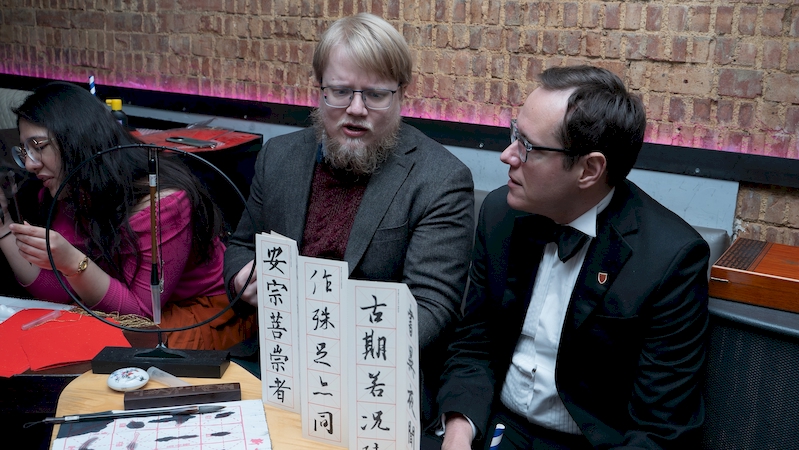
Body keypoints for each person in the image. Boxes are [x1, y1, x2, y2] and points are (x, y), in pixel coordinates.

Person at [435, 66, 709, 449]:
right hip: (496, 426)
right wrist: (458, 435)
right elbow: (474, 344)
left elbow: (659, 432)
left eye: (528, 147)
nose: (507, 155)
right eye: (515, 134)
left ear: (589, 169)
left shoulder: (669, 259)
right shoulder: (500, 215)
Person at [224, 13, 475, 424]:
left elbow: (432, 307)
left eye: (375, 95)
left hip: (374, 386)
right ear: (319, 89)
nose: (356, 109)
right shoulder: (279, 157)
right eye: (340, 92)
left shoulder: (439, 179)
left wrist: (330, 347)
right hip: (275, 368)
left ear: (402, 93)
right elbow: (241, 246)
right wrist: (241, 277)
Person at [0, 82, 251, 350]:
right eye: (25, 151)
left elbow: (140, 316)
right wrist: (3, 224)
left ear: (76, 139)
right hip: (116, 311)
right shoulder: (63, 190)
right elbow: (62, 292)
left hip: (190, 313)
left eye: (38, 146)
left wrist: (73, 263)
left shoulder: (162, 204)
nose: (30, 164)